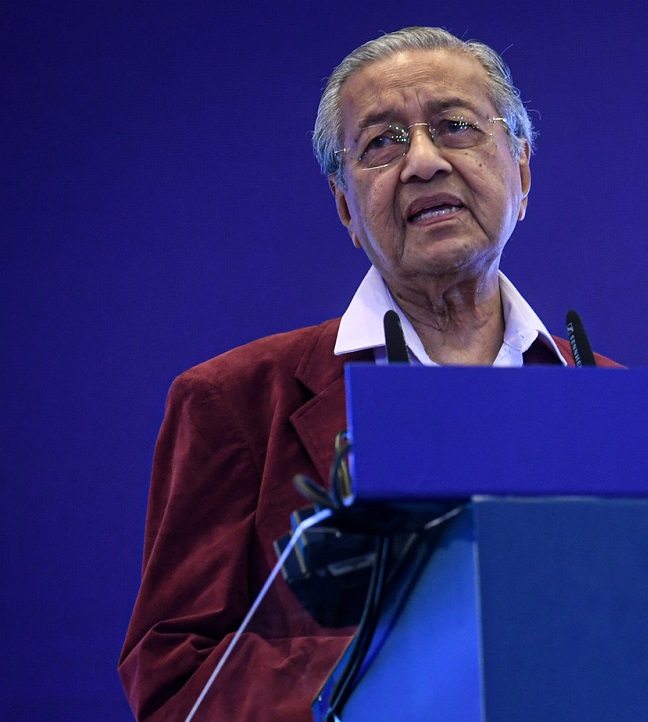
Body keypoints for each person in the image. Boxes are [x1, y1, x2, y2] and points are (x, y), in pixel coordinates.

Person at [119, 26, 620, 722]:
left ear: (522, 171)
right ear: (345, 206)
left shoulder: (618, 400)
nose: (422, 162)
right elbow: (175, 681)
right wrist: (389, 661)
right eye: (382, 142)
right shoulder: (234, 403)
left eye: (455, 126)